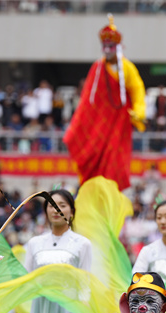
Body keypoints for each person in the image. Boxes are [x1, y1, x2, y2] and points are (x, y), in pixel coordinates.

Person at [63, 15, 146, 191]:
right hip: (99, 124)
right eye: (105, 46)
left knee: (114, 161)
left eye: (111, 46)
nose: (107, 50)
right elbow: (86, 100)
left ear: (118, 47)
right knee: (92, 156)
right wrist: (75, 127)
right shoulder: (97, 68)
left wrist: (139, 111)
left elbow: (137, 89)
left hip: (118, 122)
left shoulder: (127, 68)